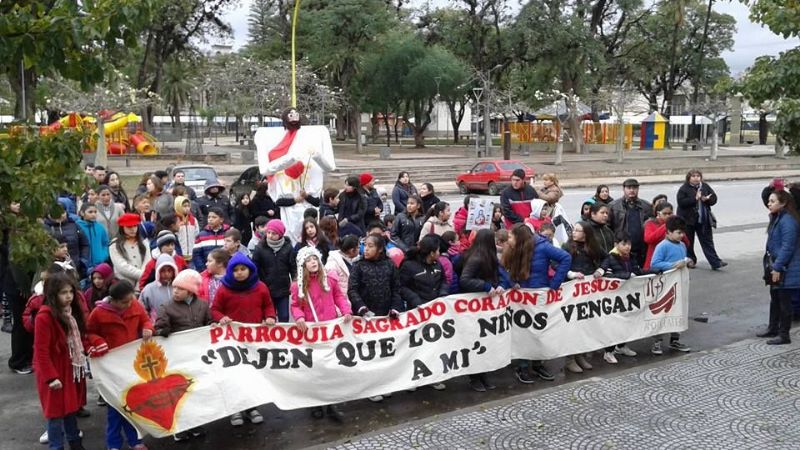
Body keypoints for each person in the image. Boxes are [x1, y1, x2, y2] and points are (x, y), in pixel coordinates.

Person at [210, 253, 275, 427]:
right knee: (235, 374)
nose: (239, 273)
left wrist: (270, 316)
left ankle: (252, 407)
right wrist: (221, 317)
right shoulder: (224, 289)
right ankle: (235, 409)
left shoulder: (260, 287)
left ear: (250, 269)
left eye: (243, 269)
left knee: (252, 373)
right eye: (236, 270)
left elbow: (268, 305)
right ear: (230, 271)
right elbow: (215, 309)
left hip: (254, 340)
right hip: (232, 341)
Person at [86, 280, 153, 450]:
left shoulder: (135, 305)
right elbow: (88, 333)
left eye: (131, 300)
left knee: (134, 404)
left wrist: (147, 328)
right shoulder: (98, 313)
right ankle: (113, 444)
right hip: (111, 366)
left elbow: (146, 320)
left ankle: (135, 440)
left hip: (131, 363)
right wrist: (98, 341)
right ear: (113, 300)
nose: (129, 304)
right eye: (124, 302)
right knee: (115, 407)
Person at [500, 224, 571, 383]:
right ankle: (523, 367)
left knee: (539, 331)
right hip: (520, 299)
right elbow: (502, 268)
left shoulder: (543, 247)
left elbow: (565, 258)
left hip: (539, 297)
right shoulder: (512, 248)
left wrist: (555, 284)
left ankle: (538, 364)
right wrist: (511, 283)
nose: (508, 239)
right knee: (523, 331)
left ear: (519, 238)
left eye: (511, 236)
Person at [290, 246, 351, 420]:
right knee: (315, 368)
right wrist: (299, 317)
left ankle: (331, 403)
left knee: (330, 367)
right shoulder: (298, 285)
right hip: (311, 331)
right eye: (308, 260)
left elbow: (338, 296)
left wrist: (346, 310)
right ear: (303, 265)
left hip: (330, 329)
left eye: (314, 258)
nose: (313, 262)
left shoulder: (330, 279)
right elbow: (295, 305)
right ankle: (315, 403)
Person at [34, 273, 90, 450]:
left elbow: (81, 338)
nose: (68, 296)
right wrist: (51, 377)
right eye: (63, 293)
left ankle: (75, 443)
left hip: (69, 367)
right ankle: (56, 446)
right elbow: (41, 351)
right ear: (53, 294)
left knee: (70, 409)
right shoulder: (44, 317)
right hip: (54, 371)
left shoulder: (71, 313)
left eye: (71, 292)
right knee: (55, 414)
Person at [153, 269, 210, 441]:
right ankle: (179, 427)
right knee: (179, 393)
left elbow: (209, 322)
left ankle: (195, 423)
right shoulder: (166, 307)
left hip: (198, 355)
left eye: (180, 288)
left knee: (196, 390)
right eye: (175, 287)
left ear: (190, 291)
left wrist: (214, 324)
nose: (175, 291)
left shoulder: (203, 305)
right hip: (177, 358)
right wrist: (162, 329)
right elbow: (158, 327)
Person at [347, 235, 403, 402]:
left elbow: (396, 289)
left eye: (370, 246)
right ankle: (371, 387)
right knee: (369, 353)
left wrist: (395, 307)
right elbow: (352, 290)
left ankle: (384, 384)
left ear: (379, 249)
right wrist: (361, 307)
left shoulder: (390, 265)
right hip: (365, 318)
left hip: (385, 317)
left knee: (384, 352)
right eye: (365, 245)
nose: (366, 249)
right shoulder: (358, 266)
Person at [457, 229, 501, 391]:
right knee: (475, 341)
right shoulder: (476, 258)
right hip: (474, 304)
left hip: (483, 305)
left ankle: (483, 374)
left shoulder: (487, 256)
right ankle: (475, 377)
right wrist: (486, 286)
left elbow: (495, 276)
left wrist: (498, 285)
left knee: (484, 340)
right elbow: (465, 280)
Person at [561, 221, 606, 373]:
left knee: (584, 325)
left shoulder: (592, 246)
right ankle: (570, 359)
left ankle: (580, 355)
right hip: (571, 291)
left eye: (578, 230)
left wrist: (601, 270)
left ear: (586, 234)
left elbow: (607, 258)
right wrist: (571, 274)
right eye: (574, 230)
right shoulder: (567, 247)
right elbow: (555, 264)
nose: (574, 232)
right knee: (572, 325)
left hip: (588, 291)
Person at [758, 190, 800, 345]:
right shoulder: (778, 217)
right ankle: (773, 328)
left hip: (786, 267)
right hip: (777, 264)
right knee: (775, 298)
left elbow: (788, 248)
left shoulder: (788, 221)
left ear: (783, 203)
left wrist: (777, 267)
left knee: (784, 301)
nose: (769, 204)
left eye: (772, 201)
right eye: (769, 201)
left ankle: (784, 335)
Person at [649, 216, 693, 354]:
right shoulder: (662, 246)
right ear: (668, 232)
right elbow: (655, 263)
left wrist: (688, 262)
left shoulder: (682, 245)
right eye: (678, 233)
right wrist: (672, 265)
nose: (682, 235)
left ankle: (675, 340)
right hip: (666, 286)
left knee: (679, 311)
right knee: (663, 312)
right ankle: (657, 341)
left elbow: (683, 260)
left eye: (683, 232)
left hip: (679, 284)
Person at [676, 170, 726, 271]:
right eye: (693, 176)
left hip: (703, 219)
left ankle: (715, 262)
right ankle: (690, 260)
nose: (696, 178)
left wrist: (707, 199)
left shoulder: (704, 186)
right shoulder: (684, 188)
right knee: (688, 242)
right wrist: (695, 199)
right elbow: (681, 203)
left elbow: (714, 198)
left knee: (707, 241)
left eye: (698, 176)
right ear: (689, 178)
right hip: (688, 220)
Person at [252, 219, 295, 323]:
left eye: (274, 233)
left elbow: (293, 267)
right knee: (269, 317)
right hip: (266, 289)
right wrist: (257, 283)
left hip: (283, 289)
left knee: (284, 316)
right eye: (268, 232)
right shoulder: (260, 248)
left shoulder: (288, 248)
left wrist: (295, 281)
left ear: (280, 234)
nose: (270, 236)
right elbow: (254, 268)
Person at [608, 178, 652, 267]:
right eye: (629, 188)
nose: (632, 190)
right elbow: (608, 228)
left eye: (634, 188)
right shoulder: (613, 206)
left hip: (641, 248)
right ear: (624, 189)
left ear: (638, 189)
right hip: (621, 248)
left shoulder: (646, 206)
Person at [44, 205, 90, 279]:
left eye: (62, 212)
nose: (60, 215)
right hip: (53, 269)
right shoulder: (45, 228)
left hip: (75, 266)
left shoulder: (74, 225)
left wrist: (83, 261)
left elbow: (84, 244)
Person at [109, 213, 151, 292]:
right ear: (122, 228)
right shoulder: (115, 244)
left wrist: (140, 283)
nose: (133, 229)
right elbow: (122, 266)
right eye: (129, 227)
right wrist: (143, 275)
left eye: (135, 226)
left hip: (142, 284)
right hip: (123, 285)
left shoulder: (144, 242)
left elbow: (147, 262)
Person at [139, 254, 177, 322]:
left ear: (174, 271)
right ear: (158, 271)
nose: (166, 274)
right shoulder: (149, 289)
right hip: (157, 325)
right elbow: (141, 311)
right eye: (163, 271)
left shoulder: (179, 287)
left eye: (169, 270)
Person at [192, 207, 230, 271]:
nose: (210, 219)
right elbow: (197, 255)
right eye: (209, 217)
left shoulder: (228, 233)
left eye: (214, 217)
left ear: (221, 219)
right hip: (206, 270)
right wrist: (204, 269)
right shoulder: (201, 235)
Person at [643, 201, 678, 270]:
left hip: (671, 259)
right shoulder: (650, 223)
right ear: (658, 213)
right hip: (654, 258)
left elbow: (686, 242)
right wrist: (665, 226)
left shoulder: (675, 223)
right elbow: (648, 239)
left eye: (670, 213)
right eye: (665, 214)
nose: (668, 216)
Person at [325, 235, 359, 300]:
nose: (359, 250)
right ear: (352, 250)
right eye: (358, 247)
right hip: (341, 300)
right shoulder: (333, 263)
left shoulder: (353, 260)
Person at [77, 202, 110, 270]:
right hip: (83, 265)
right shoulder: (77, 226)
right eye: (90, 212)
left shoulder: (100, 227)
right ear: (82, 213)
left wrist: (103, 255)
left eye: (95, 212)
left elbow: (105, 243)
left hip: (99, 264)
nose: (93, 214)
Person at [174, 195, 199, 265]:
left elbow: (197, 234)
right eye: (184, 206)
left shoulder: (193, 220)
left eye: (188, 206)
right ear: (178, 206)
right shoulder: (174, 220)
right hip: (179, 254)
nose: (187, 208)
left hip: (192, 254)